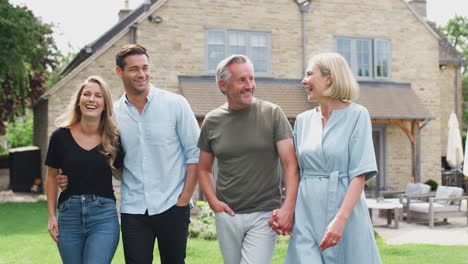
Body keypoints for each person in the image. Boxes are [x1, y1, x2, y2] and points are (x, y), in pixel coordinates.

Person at [57, 44, 200, 264]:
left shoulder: (176, 104)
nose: (141, 74)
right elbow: (103, 159)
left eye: (145, 67)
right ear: (119, 72)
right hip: (134, 210)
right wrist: (68, 176)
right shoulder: (112, 116)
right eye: (134, 69)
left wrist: (185, 198)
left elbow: (195, 153)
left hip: (173, 204)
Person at [274, 52, 382, 263]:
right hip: (306, 212)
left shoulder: (358, 115)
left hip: (346, 212)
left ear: (328, 78)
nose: (303, 81)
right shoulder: (303, 121)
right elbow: (295, 171)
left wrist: (340, 220)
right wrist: (288, 209)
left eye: (309, 74)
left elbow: (359, 174)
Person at [197, 54, 299, 264]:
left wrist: (288, 207)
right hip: (227, 214)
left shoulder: (272, 114)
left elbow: (290, 165)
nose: (250, 85)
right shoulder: (212, 120)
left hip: (264, 213)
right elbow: (204, 168)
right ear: (223, 85)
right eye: (242, 80)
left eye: (251, 79)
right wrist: (214, 202)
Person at [45, 76, 123, 264]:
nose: (91, 99)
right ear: (78, 101)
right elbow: (51, 177)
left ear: (105, 104)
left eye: (98, 96)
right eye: (86, 94)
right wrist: (51, 216)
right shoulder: (60, 136)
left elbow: (122, 174)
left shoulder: (113, 138)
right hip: (68, 216)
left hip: (103, 217)